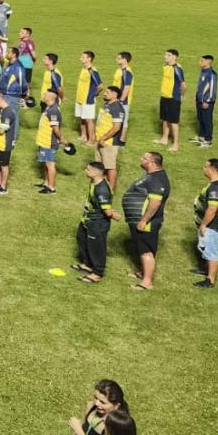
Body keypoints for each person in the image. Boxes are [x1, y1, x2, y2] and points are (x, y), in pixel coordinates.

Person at [122, 150, 170, 290]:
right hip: (139, 220)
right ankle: (143, 272)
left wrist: (144, 220)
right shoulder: (153, 176)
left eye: (144, 158)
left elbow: (155, 203)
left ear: (153, 163)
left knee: (146, 251)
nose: (141, 159)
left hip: (147, 222)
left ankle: (147, 282)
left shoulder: (157, 179)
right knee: (141, 247)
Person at [74, 162, 121, 284]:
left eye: (88, 169)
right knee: (81, 238)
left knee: (97, 247)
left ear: (95, 172)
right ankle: (87, 264)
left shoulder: (102, 190)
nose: (85, 170)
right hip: (87, 220)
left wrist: (114, 215)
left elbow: (106, 211)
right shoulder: (94, 182)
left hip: (97, 224)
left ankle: (97, 273)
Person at [46, 379, 128, 435]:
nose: (96, 403)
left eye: (102, 402)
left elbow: (81, 433)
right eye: (96, 398)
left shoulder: (113, 425)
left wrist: (78, 430)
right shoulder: (91, 407)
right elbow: (84, 434)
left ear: (116, 406)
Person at [193, 157, 218, 288]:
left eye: (205, 167)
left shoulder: (216, 189)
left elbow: (212, 209)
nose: (203, 169)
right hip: (212, 224)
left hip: (212, 225)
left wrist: (204, 224)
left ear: (212, 169)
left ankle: (210, 280)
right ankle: (206, 270)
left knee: (212, 251)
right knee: (206, 248)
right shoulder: (217, 184)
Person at [35, 89, 69, 194]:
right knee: (47, 162)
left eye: (45, 94)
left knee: (50, 164)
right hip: (44, 140)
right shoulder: (49, 108)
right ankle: (46, 183)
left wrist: (61, 139)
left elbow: (56, 129)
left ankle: (51, 187)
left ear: (51, 97)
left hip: (49, 141)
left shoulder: (53, 110)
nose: (43, 95)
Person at [95, 86, 126, 192]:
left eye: (107, 92)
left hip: (109, 142)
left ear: (115, 94)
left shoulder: (117, 108)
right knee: (100, 165)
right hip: (100, 140)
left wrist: (104, 137)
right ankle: (100, 186)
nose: (104, 94)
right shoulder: (108, 105)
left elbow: (117, 127)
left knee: (110, 166)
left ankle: (111, 190)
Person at [157, 48, 185, 152]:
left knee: (173, 121)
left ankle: (176, 144)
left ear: (174, 57)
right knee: (165, 118)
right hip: (164, 96)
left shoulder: (177, 68)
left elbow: (183, 85)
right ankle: (164, 138)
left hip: (174, 98)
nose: (165, 57)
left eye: (168, 55)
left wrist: (181, 95)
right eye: (165, 55)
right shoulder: (165, 66)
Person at [76, 51, 102, 145]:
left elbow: (100, 86)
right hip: (80, 98)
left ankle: (91, 140)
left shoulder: (92, 71)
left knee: (89, 119)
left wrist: (94, 94)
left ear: (89, 58)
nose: (80, 58)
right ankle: (83, 136)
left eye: (83, 57)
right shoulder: (84, 69)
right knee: (82, 118)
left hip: (88, 99)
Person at [195, 54, 218, 147]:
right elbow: (201, 87)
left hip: (206, 101)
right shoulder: (203, 71)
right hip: (200, 99)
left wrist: (207, 101)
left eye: (202, 61)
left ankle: (208, 140)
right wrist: (196, 96)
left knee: (207, 120)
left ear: (208, 62)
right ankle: (202, 137)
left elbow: (212, 89)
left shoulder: (211, 74)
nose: (200, 62)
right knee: (200, 118)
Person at [112, 51, 135, 144]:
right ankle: (116, 138)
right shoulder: (119, 70)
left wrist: (121, 100)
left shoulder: (127, 72)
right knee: (116, 119)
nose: (116, 59)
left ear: (124, 60)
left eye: (119, 58)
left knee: (123, 121)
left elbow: (127, 87)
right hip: (116, 99)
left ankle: (122, 140)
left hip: (123, 101)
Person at [0, 46, 27, 113]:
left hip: (12, 96)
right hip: (5, 94)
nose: (6, 54)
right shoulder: (9, 64)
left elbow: (22, 83)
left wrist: (23, 95)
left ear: (14, 55)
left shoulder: (18, 67)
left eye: (8, 52)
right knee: (3, 117)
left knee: (12, 116)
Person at [16, 27, 36, 100]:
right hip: (19, 65)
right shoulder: (21, 41)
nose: (20, 33)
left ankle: (27, 98)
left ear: (27, 34)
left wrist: (33, 61)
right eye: (20, 32)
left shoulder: (29, 43)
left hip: (26, 65)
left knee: (26, 82)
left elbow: (33, 54)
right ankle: (20, 96)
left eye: (22, 32)